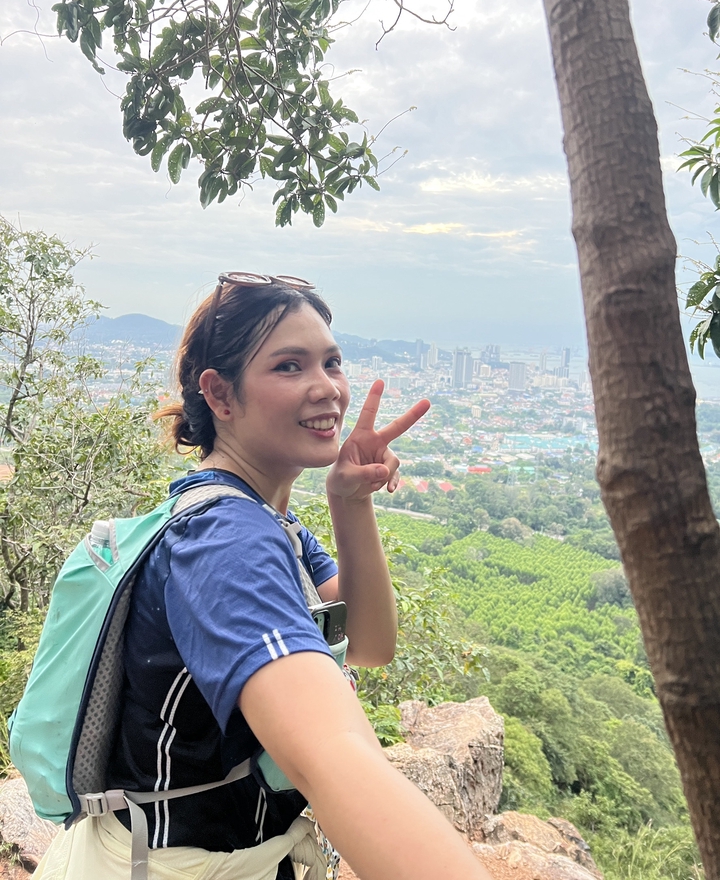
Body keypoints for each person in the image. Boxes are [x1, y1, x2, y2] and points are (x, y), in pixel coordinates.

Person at [34, 273, 494, 880]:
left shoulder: (271, 524)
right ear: (220, 396)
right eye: (289, 366)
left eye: (332, 362)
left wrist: (350, 502)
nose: (326, 387)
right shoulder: (226, 541)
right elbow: (331, 760)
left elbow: (369, 643)